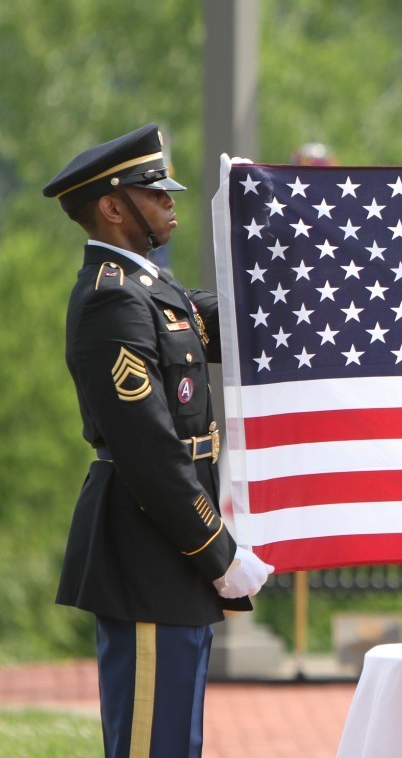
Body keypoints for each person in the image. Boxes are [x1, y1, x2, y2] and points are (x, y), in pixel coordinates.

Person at [43, 124, 273, 757]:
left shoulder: (151, 290)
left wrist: (274, 234)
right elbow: (151, 454)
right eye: (154, 191)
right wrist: (218, 553)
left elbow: (233, 324)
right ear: (113, 208)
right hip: (149, 546)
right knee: (154, 744)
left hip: (169, 551)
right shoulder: (111, 304)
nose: (171, 199)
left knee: (175, 740)